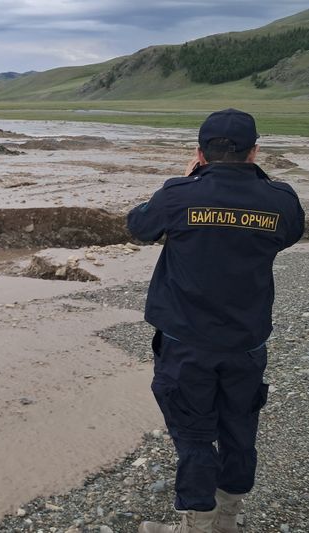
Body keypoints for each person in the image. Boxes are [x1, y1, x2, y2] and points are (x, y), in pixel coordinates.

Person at [126, 109, 305, 533]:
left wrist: (189, 182)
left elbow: (139, 226)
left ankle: (198, 523)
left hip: (186, 341)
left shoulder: (178, 194)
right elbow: (290, 234)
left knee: (192, 432)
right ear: (254, 151)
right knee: (240, 425)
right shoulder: (280, 199)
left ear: (199, 153)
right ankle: (228, 517)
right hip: (246, 341)